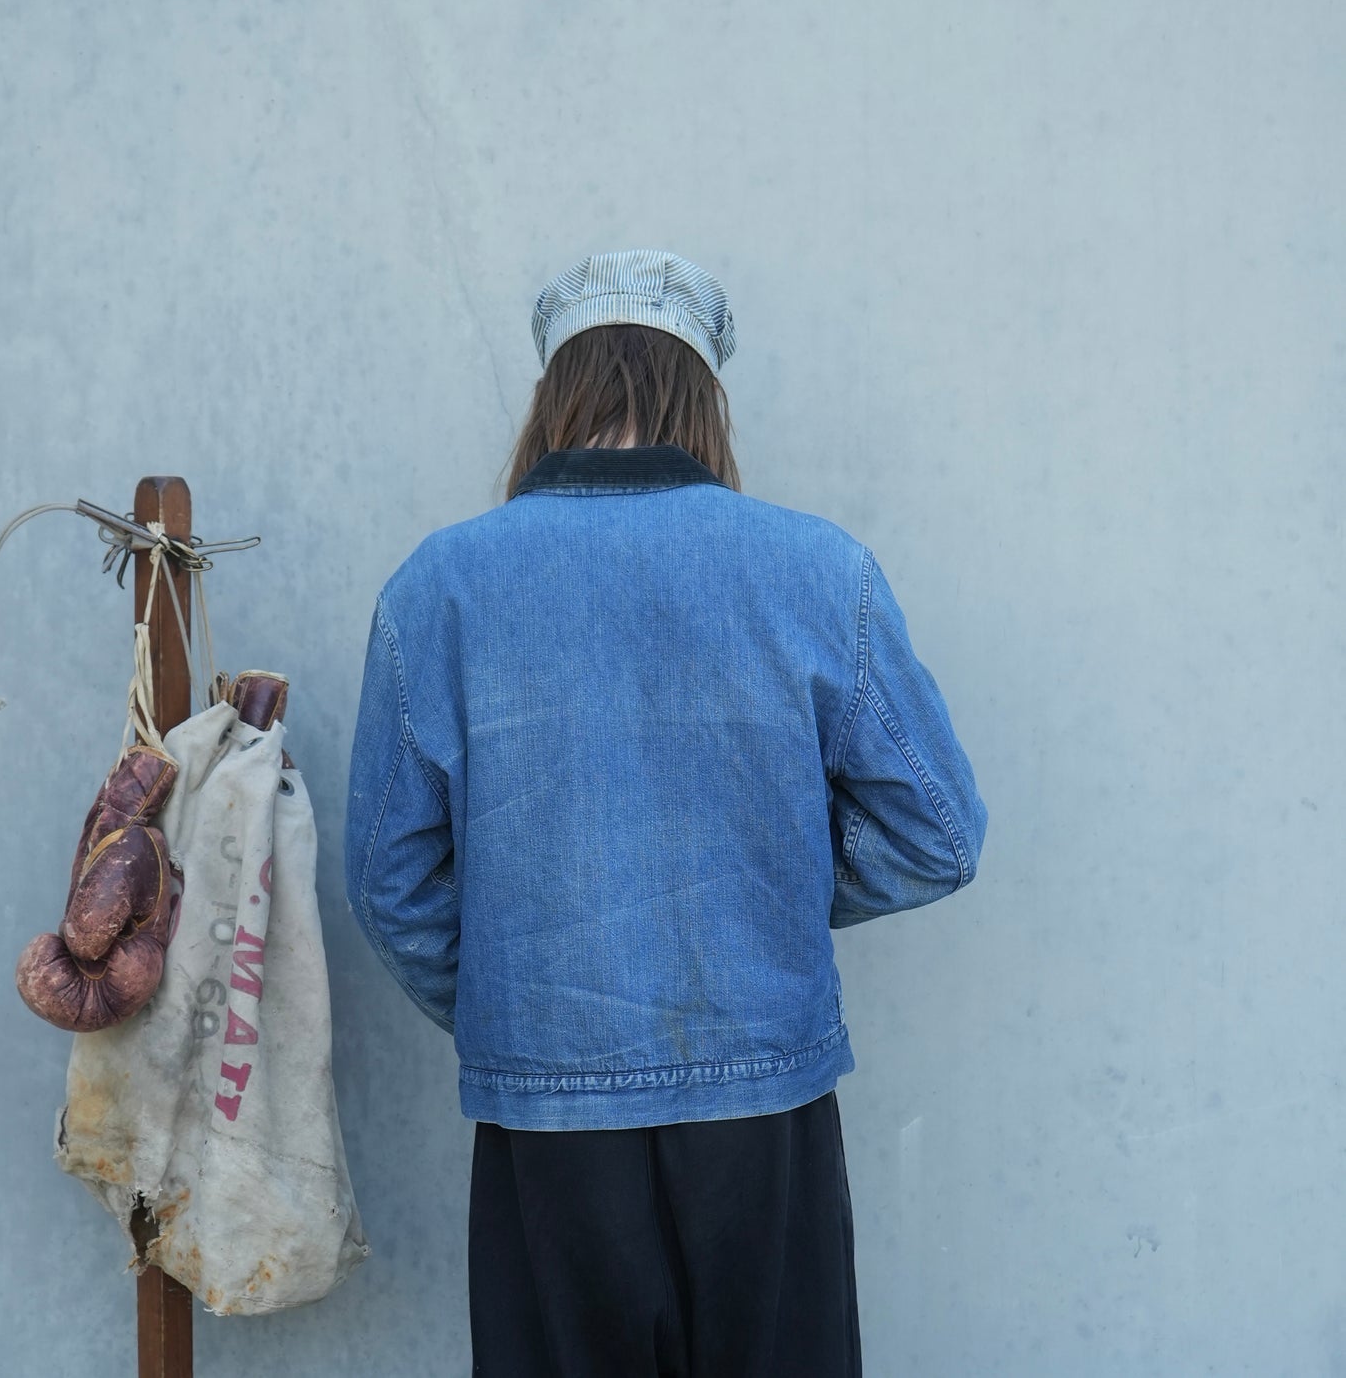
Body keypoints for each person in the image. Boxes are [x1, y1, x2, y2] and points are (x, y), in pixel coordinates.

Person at [344, 249, 988, 1376]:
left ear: (552, 395)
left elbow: (391, 884)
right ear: (704, 396)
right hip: (762, 1100)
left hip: (543, 1119)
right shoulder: (812, 568)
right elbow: (934, 830)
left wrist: (521, 982)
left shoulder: (436, 587)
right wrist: (759, 889)